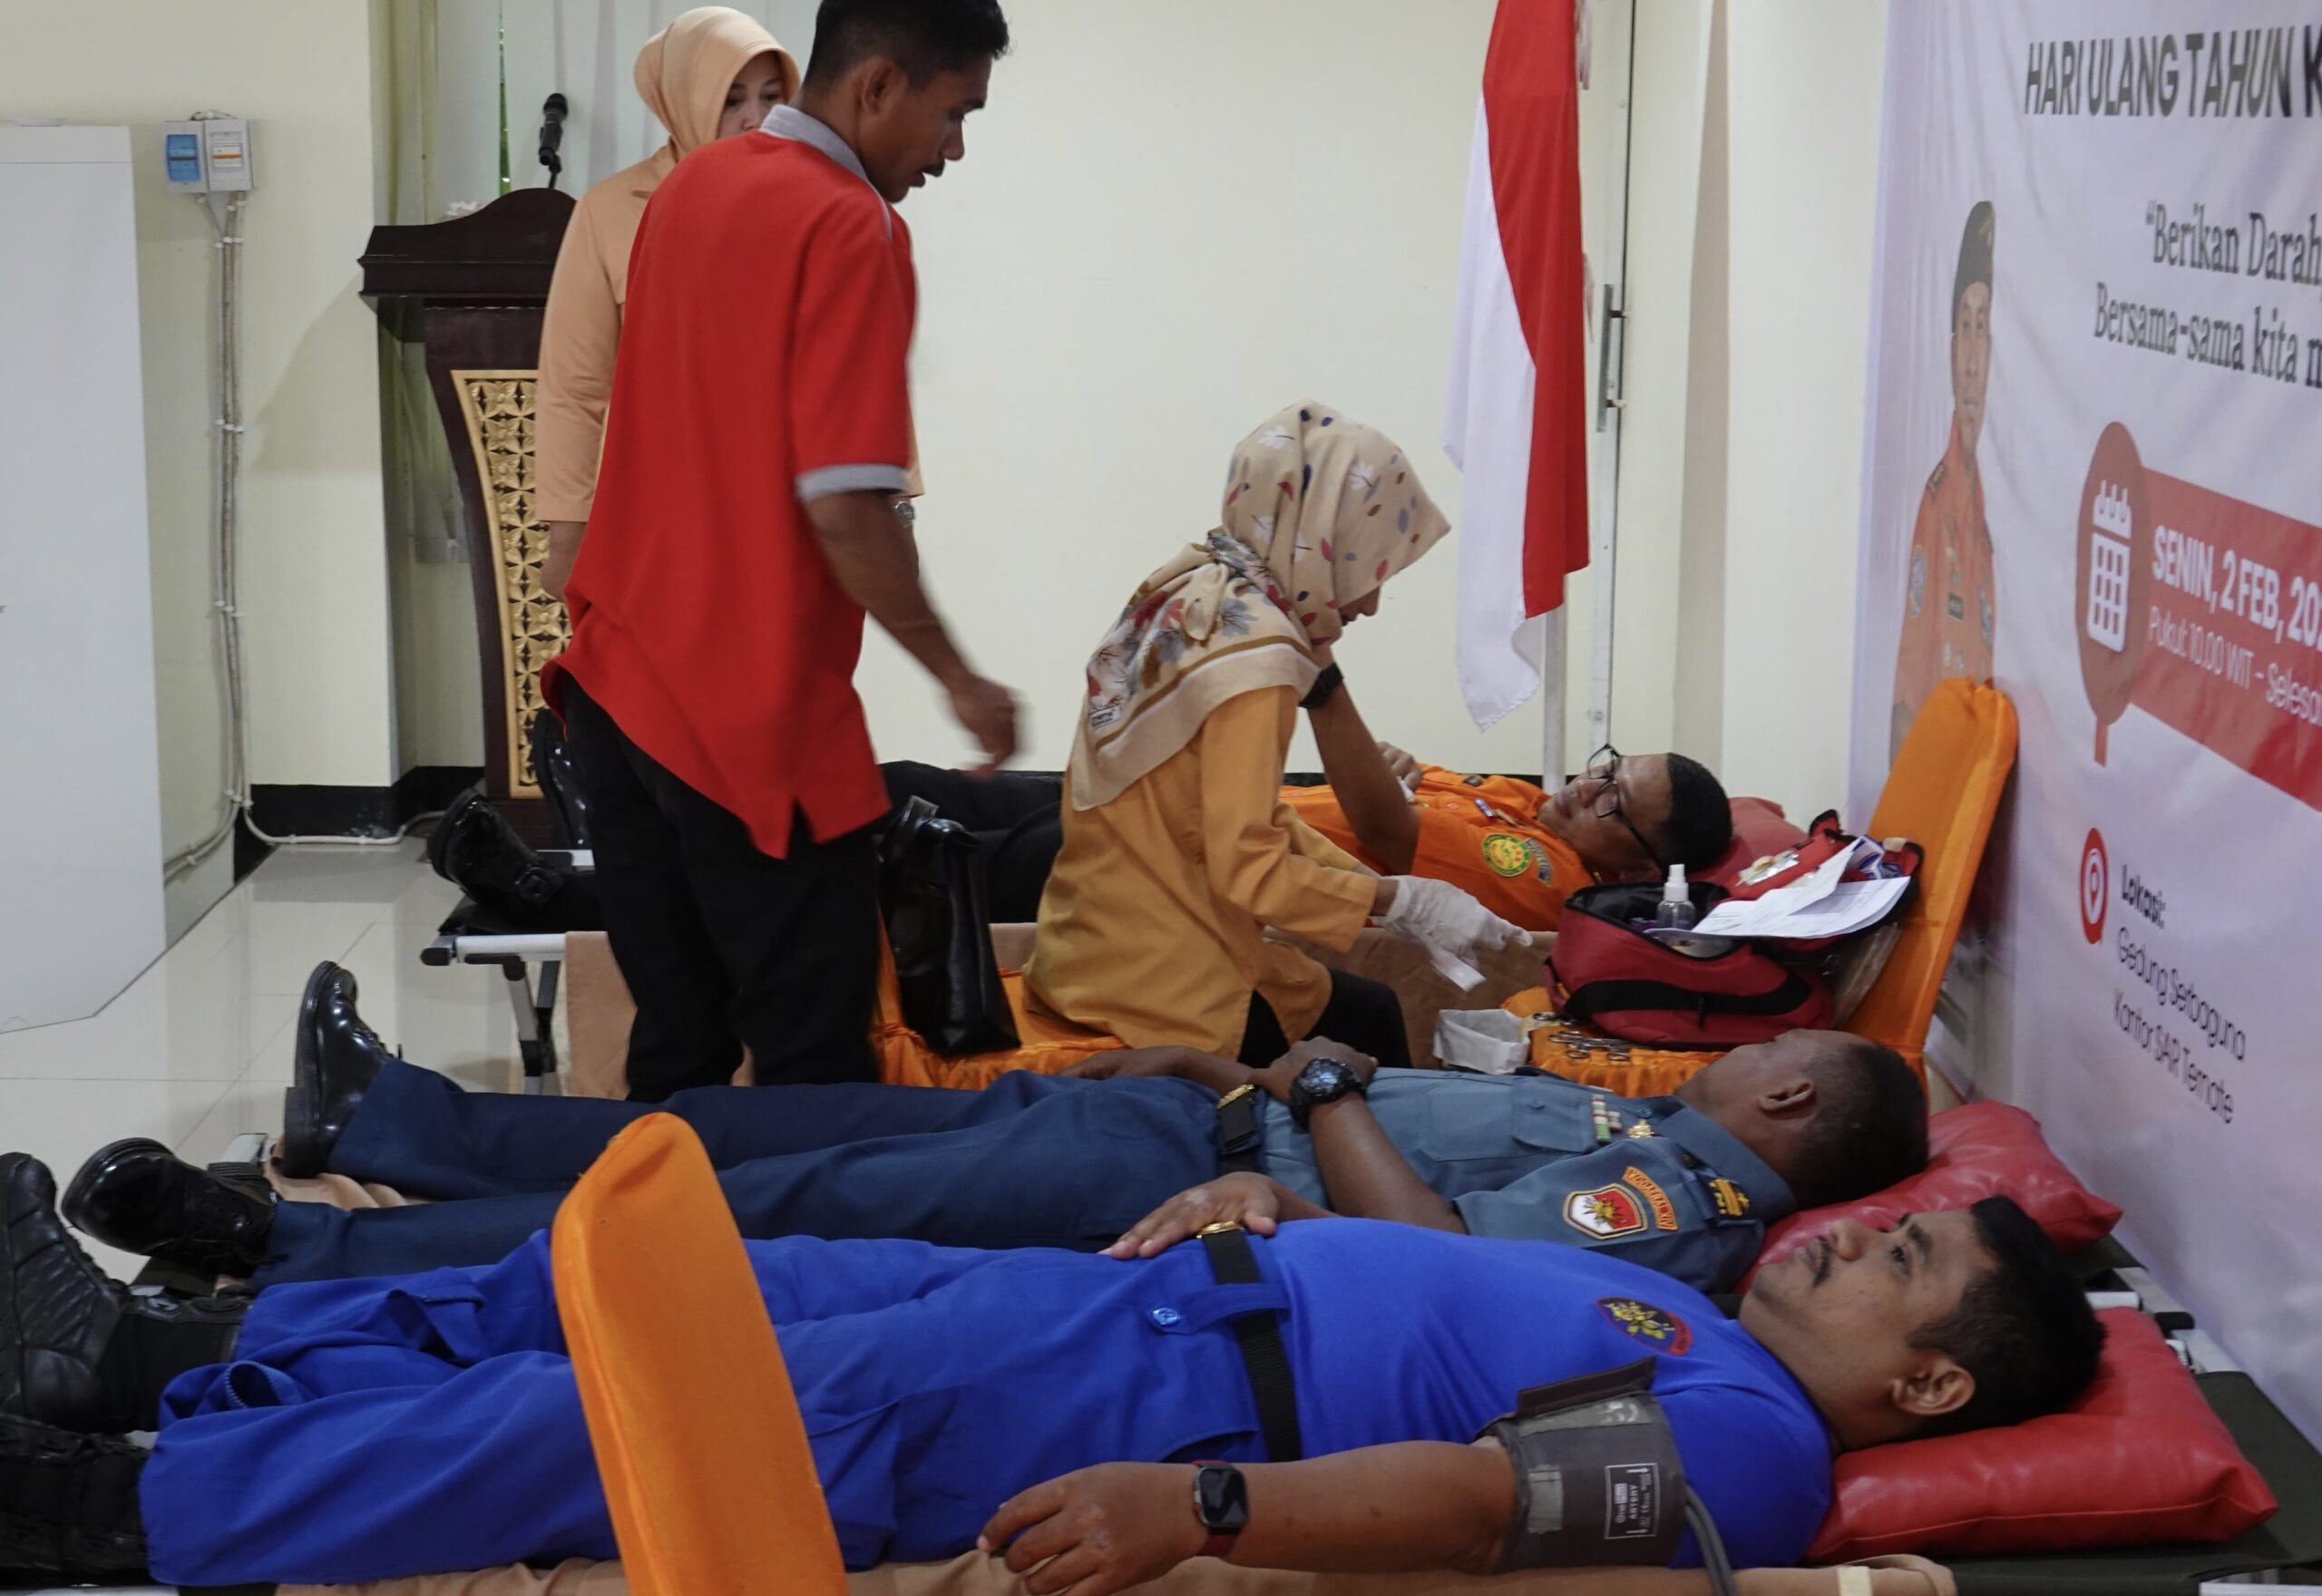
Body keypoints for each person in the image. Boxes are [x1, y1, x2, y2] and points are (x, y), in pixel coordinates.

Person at [0, 1146, 2105, 1587]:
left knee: (632, 1412)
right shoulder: (1700, 1314)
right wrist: (1271, 1205)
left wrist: (1199, 1506)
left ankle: (123, 1508)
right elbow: (1449, 1310)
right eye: (1880, 1220)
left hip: (1155, 1406)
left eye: (1896, 1260)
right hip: (1137, 1301)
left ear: (1926, 1388)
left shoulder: (1749, 1450)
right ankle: (175, 1356)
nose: (1848, 1236)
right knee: (654, 1283)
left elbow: (1488, 1499)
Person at [63, 961, 1926, 1293]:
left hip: (1165, 1184)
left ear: (1782, 1095)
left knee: (730, 1218)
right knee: (727, 1135)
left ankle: (294, 1249)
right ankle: (386, 1117)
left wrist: (1314, 1080)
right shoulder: (1644, 1137)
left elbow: (1418, 1245)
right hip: (1167, 1126)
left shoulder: (1666, 1198)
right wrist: (1219, 1070)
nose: (1726, 1054)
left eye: (1765, 1044)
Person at [543, 0, 1021, 1101]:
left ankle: (636, 1222)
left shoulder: (694, 187)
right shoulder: (853, 226)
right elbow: (845, 505)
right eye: (955, 113)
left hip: (619, 692)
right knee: (816, 1076)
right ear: (879, 84)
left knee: (678, 1052)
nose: (954, 150)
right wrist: (961, 679)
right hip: (742, 727)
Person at [1024, 403, 1527, 1068]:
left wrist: (1389, 900)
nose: (1371, 604)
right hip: (1166, 986)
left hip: (1084, 946)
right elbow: (1249, 869)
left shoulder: (1191, 590)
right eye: (1371, 570)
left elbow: (1246, 819)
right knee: (1369, 1033)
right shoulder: (1257, 658)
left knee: (1364, 1009)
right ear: (1323, 539)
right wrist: (1400, 897)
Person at [533, 7, 802, 603]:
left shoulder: (812, 203)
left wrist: (896, 503)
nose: (756, 119)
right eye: (731, 100)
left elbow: (859, 363)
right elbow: (575, 386)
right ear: (681, 101)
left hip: (786, 514)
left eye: (771, 96)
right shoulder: (610, 211)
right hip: (655, 519)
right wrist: (567, 537)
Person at [1890, 200, 1996, 764]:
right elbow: (1907, 697)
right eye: (1965, 328)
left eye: (1984, 329)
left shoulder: (1990, 516)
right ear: (1952, 351)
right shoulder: (1938, 507)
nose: (1973, 363)